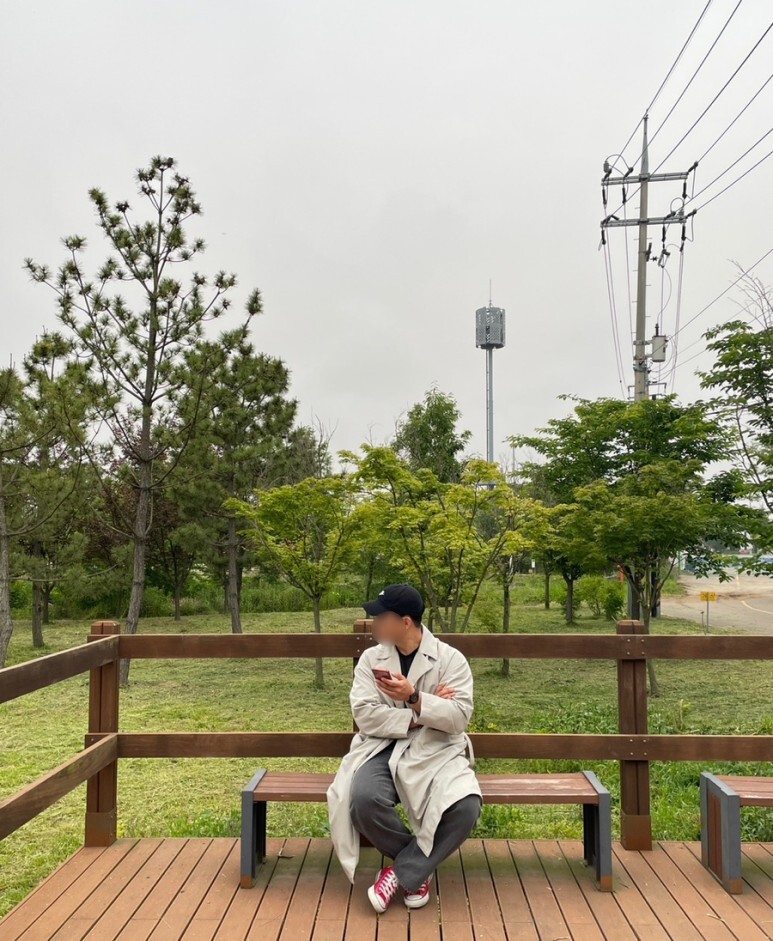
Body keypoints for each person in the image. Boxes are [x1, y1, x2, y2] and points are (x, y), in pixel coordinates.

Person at [326, 583, 482, 913]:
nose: (374, 623)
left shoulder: (450, 660)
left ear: (405, 622)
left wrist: (413, 697)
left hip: (437, 750)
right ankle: (416, 868)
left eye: (380, 617)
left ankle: (400, 873)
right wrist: (420, 714)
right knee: (362, 799)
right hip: (382, 747)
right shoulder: (371, 659)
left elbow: (458, 718)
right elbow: (365, 714)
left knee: (466, 806)